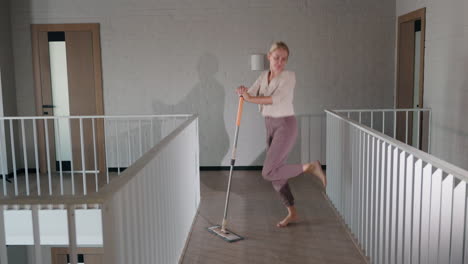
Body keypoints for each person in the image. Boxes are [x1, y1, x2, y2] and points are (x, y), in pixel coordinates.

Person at [236, 41, 327, 228]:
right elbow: (250, 92)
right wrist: (242, 91)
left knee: (268, 171)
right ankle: (292, 212)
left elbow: (273, 99)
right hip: (269, 125)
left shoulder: (289, 77)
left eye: (283, 59)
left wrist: (250, 98)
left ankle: (310, 167)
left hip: (285, 125)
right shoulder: (263, 76)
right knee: (276, 174)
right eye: (276, 57)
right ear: (269, 57)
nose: (279, 62)